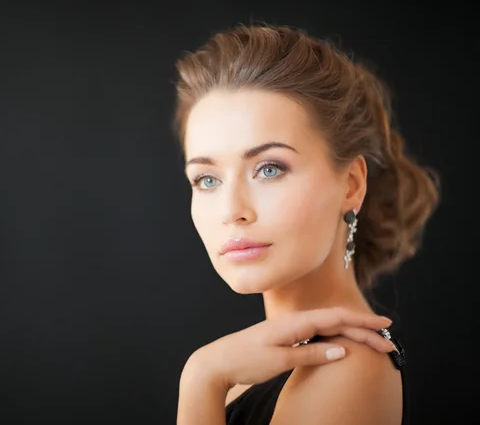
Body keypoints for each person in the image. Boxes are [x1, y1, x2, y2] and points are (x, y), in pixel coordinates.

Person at [173, 24, 439, 425]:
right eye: (207, 179)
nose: (232, 210)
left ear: (351, 185)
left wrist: (201, 378)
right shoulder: (257, 362)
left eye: (269, 169)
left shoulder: (347, 367)